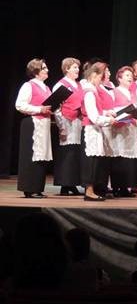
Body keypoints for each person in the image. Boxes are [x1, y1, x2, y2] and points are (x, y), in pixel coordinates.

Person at [15, 58, 53, 198]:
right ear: (36, 71)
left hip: (44, 124)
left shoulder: (47, 88)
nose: (47, 70)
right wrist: (39, 109)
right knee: (31, 156)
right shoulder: (28, 86)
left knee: (41, 156)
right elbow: (20, 105)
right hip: (32, 123)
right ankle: (29, 188)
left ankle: (37, 187)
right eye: (44, 68)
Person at [80, 62, 116, 201]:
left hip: (95, 129)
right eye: (101, 76)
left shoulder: (93, 91)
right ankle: (89, 191)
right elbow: (93, 116)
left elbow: (97, 111)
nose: (101, 80)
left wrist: (106, 113)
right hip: (90, 129)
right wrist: (108, 120)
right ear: (94, 75)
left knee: (95, 161)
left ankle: (92, 190)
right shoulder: (89, 92)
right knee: (90, 161)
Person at [52, 58, 84, 196]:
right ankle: (64, 184)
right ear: (67, 69)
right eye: (74, 67)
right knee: (67, 152)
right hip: (66, 121)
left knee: (75, 152)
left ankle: (72, 183)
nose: (77, 70)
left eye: (78, 67)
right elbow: (56, 108)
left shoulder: (78, 85)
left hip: (77, 122)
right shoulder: (61, 85)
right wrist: (61, 127)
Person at [111, 66, 137, 197]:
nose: (130, 78)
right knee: (119, 156)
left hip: (131, 128)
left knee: (128, 158)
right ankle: (116, 187)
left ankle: (125, 187)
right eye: (127, 75)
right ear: (119, 78)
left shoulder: (133, 93)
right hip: (119, 128)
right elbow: (112, 109)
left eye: (131, 76)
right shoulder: (114, 92)